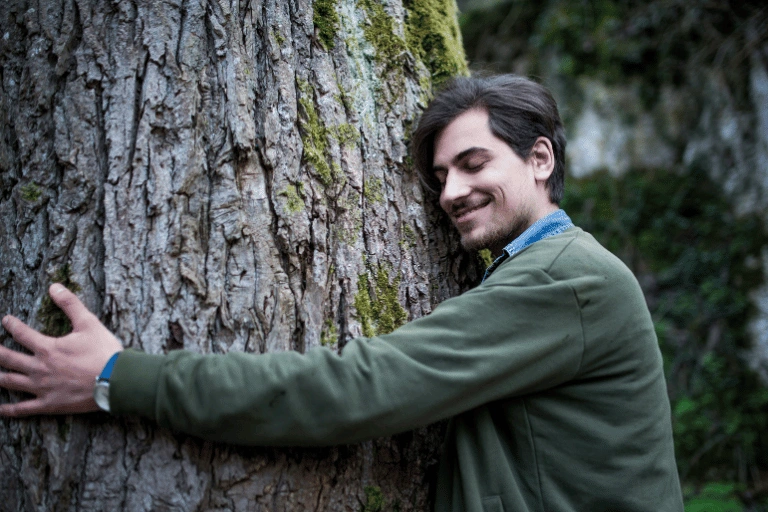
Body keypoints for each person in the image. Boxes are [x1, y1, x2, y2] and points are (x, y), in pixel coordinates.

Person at [0, 74, 684, 511]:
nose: (450, 193)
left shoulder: (567, 279)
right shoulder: (538, 271)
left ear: (540, 159)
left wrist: (121, 378)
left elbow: (357, 388)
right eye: (440, 175)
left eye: (473, 164)